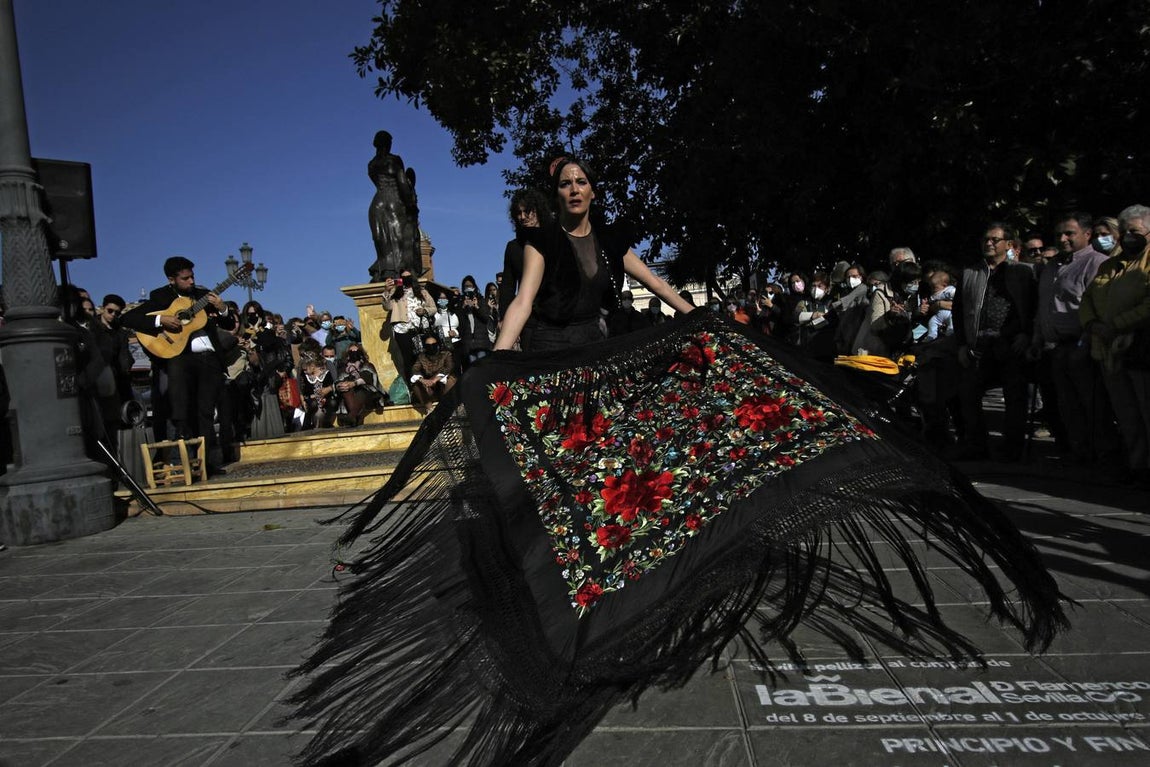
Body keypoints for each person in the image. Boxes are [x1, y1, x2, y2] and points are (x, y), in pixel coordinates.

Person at [290, 161, 1067, 767]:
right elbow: (524, 305)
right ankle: (566, 585)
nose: (573, 192)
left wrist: (698, 314)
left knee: (631, 477)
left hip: (609, 359)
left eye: (581, 181)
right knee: (572, 489)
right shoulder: (539, 244)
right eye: (562, 184)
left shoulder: (612, 232)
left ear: (592, 188)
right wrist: (493, 362)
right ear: (551, 196)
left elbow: (649, 279)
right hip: (557, 369)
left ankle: (627, 579)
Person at [120, 256, 236, 475]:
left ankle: (207, 464)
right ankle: (184, 453)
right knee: (184, 409)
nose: (191, 281)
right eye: (185, 278)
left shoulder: (202, 295)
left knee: (205, 411)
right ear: (171, 279)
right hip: (181, 357)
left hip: (208, 359)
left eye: (192, 276)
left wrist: (222, 309)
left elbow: (229, 324)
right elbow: (128, 319)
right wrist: (160, 320)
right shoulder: (161, 296)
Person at [952, 223, 1036, 461]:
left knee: (1015, 397)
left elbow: (1033, 308)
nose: (989, 243)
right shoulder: (970, 273)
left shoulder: (1023, 272)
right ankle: (977, 444)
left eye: (995, 240)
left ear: (1008, 244)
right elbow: (959, 311)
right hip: (978, 344)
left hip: (1011, 343)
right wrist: (961, 344)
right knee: (967, 393)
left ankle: (1012, 449)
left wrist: (1026, 334)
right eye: (986, 239)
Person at [1081, 204, 1150, 486]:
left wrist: (1117, 324)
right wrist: (1093, 324)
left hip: (1141, 349)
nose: (1127, 236)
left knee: (1146, 411)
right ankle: (1138, 465)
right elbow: (1088, 300)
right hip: (1109, 351)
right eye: (1124, 232)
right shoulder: (1110, 265)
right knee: (1127, 414)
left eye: (1135, 231)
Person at [499, 188, 552, 349]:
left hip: (558, 316)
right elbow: (508, 287)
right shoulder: (513, 248)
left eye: (527, 211)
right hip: (529, 320)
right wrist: (504, 319)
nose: (522, 217)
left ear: (538, 210)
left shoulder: (555, 239)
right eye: (518, 213)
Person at [367, 129, 420, 282]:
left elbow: (377, 182)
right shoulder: (395, 160)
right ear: (388, 144)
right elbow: (402, 182)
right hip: (394, 200)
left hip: (377, 203)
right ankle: (400, 271)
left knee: (381, 240)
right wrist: (410, 204)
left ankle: (384, 271)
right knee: (399, 237)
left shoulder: (371, 165)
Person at [380, 269, 435, 380]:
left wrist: (424, 311)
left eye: (408, 277)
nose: (406, 280)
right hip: (403, 330)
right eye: (403, 277)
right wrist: (386, 291)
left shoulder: (422, 292)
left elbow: (433, 308)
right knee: (408, 358)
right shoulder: (396, 292)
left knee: (424, 355)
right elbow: (387, 307)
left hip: (421, 328)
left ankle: (429, 380)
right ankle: (413, 385)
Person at [335, 343, 384, 427]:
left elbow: (368, 377)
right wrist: (342, 385)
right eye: (351, 352)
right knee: (346, 388)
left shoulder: (367, 365)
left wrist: (354, 383)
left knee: (361, 391)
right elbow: (338, 381)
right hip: (350, 396)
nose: (354, 354)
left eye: (357, 351)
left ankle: (351, 416)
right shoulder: (343, 368)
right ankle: (354, 416)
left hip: (369, 395)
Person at [408, 331, 456, 414]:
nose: (431, 347)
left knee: (451, 379)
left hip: (443, 387)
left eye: (433, 345)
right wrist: (422, 380)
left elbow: (449, 367)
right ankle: (430, 410)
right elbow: (414, 369)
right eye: (428, 346)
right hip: (429, 389)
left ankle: (445, 408)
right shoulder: (422, 357)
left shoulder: (446, 354)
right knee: (415, 383)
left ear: (437, 345)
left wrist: (437, 378)